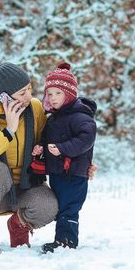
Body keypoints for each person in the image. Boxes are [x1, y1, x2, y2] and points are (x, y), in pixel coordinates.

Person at [0, 62, 58, 254]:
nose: (29, 96)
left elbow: (49, 142)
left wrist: (79, 162)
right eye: (22, 93)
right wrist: (8, 131)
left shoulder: (35, 108)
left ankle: (18, 227)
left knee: (48, 205)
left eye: (29, 89)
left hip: (25, 187)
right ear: (3, 96)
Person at [32, 62, 97, 253]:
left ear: (69, 94)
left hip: (74, 173)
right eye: (49, 94)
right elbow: (48, 140)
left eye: (58, 93)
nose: (52, 98)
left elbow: (86, 138)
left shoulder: (81, 117)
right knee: (61, 207)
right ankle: (61, 239)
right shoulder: (54, 118)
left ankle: (66, 241)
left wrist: (62, 149)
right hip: (58, 173)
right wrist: (41, 149)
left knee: (69, 208)